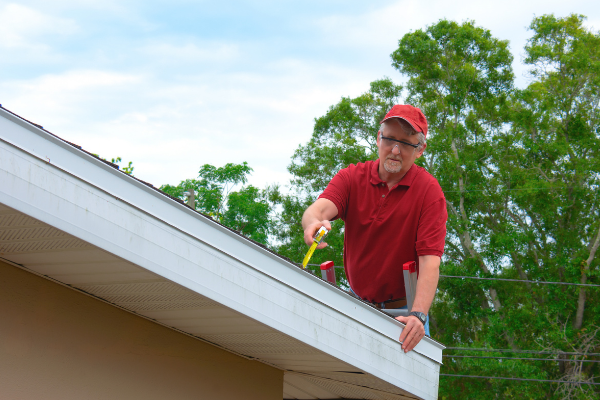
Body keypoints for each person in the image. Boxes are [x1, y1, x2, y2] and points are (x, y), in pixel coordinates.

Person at [301, 105, 447, 353]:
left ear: (420, 149)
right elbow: (318, 210)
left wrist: (418, 316)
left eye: (406, 143)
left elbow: (430, 262)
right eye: (389, 139)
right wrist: (312, 223)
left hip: (404, 314)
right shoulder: (352, 177)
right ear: (379, 138)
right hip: (356, 302)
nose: (395, 150)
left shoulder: (429, 192)